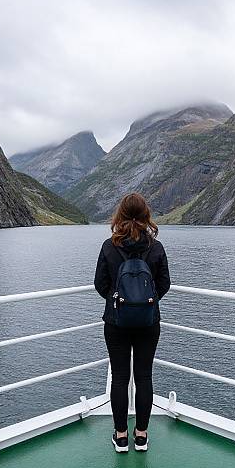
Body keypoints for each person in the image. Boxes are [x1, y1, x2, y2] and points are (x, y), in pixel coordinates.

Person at [94, 192, 171, 453]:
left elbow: (100, 284)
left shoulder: (109, 246)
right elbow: (164, 284)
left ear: (120, 215)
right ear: (146, 215)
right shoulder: (156, 247)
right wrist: (146, 302)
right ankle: (141, 436)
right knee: (144, 376)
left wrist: (118, 301)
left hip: (116, 322)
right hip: (149, 322)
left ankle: (121, 437)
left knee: (119, 377)